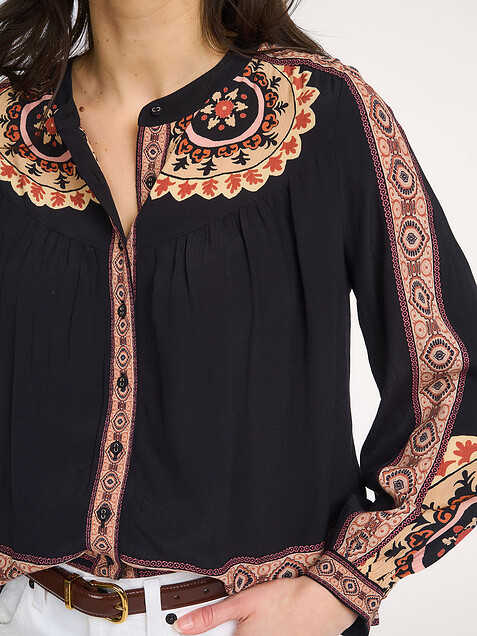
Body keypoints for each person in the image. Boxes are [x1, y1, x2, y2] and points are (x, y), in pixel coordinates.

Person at [0, 0, 476, 635]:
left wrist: (344, 586)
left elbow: (454, 375)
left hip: (248, 621)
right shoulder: (7, 124)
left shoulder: (322, 112)